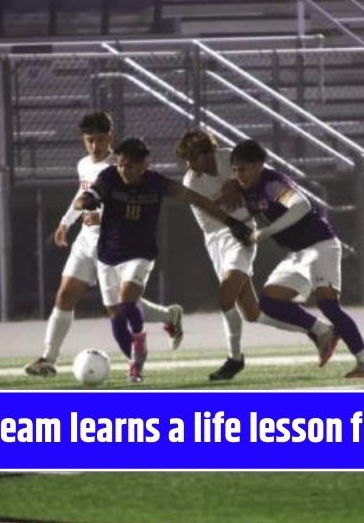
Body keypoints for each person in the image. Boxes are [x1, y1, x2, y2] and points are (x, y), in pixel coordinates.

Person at [74, 137, 254, 382]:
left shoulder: (156, 183)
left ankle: (138, 354)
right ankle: (144, 348)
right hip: (108, 254)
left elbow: (197, 200)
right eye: (120, 164)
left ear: (143, 166)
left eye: (129, 165)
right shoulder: (109, 177)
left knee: (127, 302)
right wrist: (87, 202)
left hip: (140, 253)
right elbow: (84, 198)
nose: (123, 170)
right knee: (116, 319)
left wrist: (233, 223)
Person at [25, 113, 184, 378]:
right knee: (65, 295)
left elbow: (133, 202)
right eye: (90, 140)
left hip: (113, 244)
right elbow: (83, 193)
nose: (95, 146)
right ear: (83, 140)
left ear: (111, 135)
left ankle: (164, 322)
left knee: (119, 309)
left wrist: (105, 215)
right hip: (86, 240)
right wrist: (66, 222)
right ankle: (48, 359)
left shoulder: (120, 165)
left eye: (100, 139)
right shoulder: (84, 164)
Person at [176, 129, 335, 381]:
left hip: (240, 235)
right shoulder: (191, 180)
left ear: (210, 153)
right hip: (216, 239)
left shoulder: (229, 159)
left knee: (225, 296)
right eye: (187, 160)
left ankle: (235, 359)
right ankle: (319, 329)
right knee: (251, 313)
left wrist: (235, 185)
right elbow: (210, 210)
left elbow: (258, 176)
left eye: (194, 158)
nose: (190, 165)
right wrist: (232, 196)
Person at [230, 140, 364, 379]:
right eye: (235, 170)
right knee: (269, 303)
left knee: (328, 304)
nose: (238, 175)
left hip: (320, 245)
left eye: (243, 169)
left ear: (259, 165)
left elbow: (301, 206)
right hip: (298, 253)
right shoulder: (244, 188)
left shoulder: (271, 183)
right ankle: (322, 331)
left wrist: (264, 233)